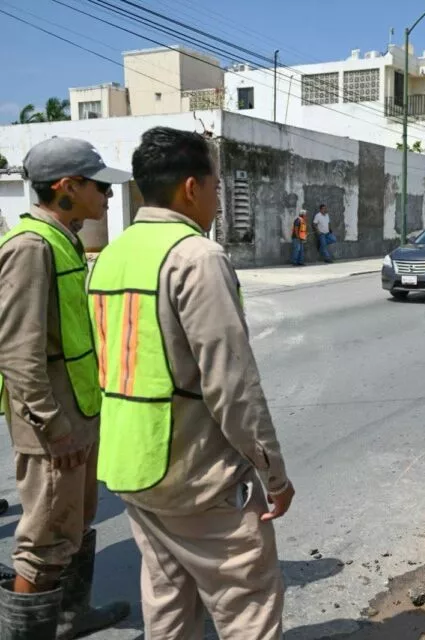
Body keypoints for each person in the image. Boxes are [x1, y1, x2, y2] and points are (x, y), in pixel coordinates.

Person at [87, 127, 293, 637]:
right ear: (191, 188)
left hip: (132, 464)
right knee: (249, 607)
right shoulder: (197, 257)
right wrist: (274, 475)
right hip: (195, 475)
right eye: (216, 186)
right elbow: (232, 387)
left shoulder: (111, 254)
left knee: (168, 602)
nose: (218, 200)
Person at [0, 137, 131, 638]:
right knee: (44, 540)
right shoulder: (30, 248)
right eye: (100, 187)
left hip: (78, 411)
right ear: (66, 188)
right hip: (54, 423)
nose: (108, 198)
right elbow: (17, 351)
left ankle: (72, 618)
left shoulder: (64, 240)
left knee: (75, 524)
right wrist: (54, 428)